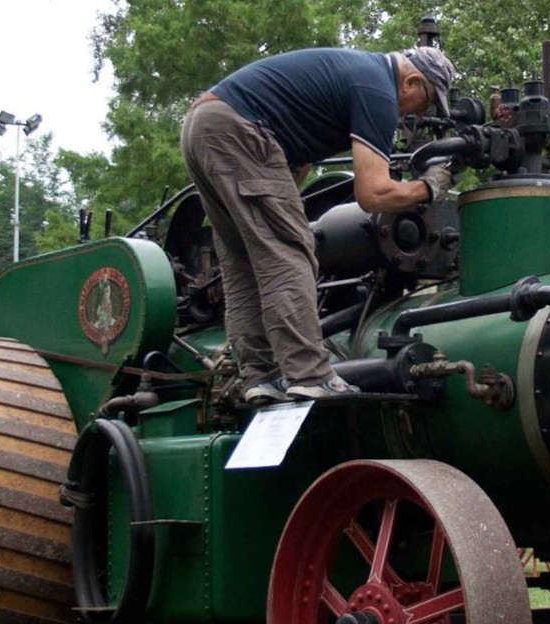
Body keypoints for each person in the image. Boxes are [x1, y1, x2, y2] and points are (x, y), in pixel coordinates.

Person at [183, 47, 459, 402]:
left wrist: (272, 206)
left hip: (203, 126)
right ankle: (310, 374)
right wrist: (428, 188)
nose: (421, 113)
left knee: (244, 264)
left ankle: (260, 378)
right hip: (238, 128)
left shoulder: (356, 74)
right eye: (426, 101)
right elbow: (372, 195)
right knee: (292, 252)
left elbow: (298, 164)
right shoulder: (378, 90)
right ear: (412, 81)